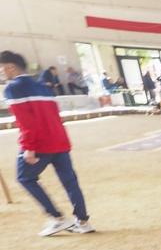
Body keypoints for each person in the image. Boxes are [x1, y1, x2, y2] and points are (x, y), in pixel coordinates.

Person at [1, 50, 94, 236]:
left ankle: (57, 217)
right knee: (70, 182)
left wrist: (29, 148)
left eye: (1, 69)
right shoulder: (43, 86)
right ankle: (83, 222)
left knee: (25, 178)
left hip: (40, 144)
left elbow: (26, 122)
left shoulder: (12, 88)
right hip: (60, 140)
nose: (1, 73)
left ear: (10, 67)